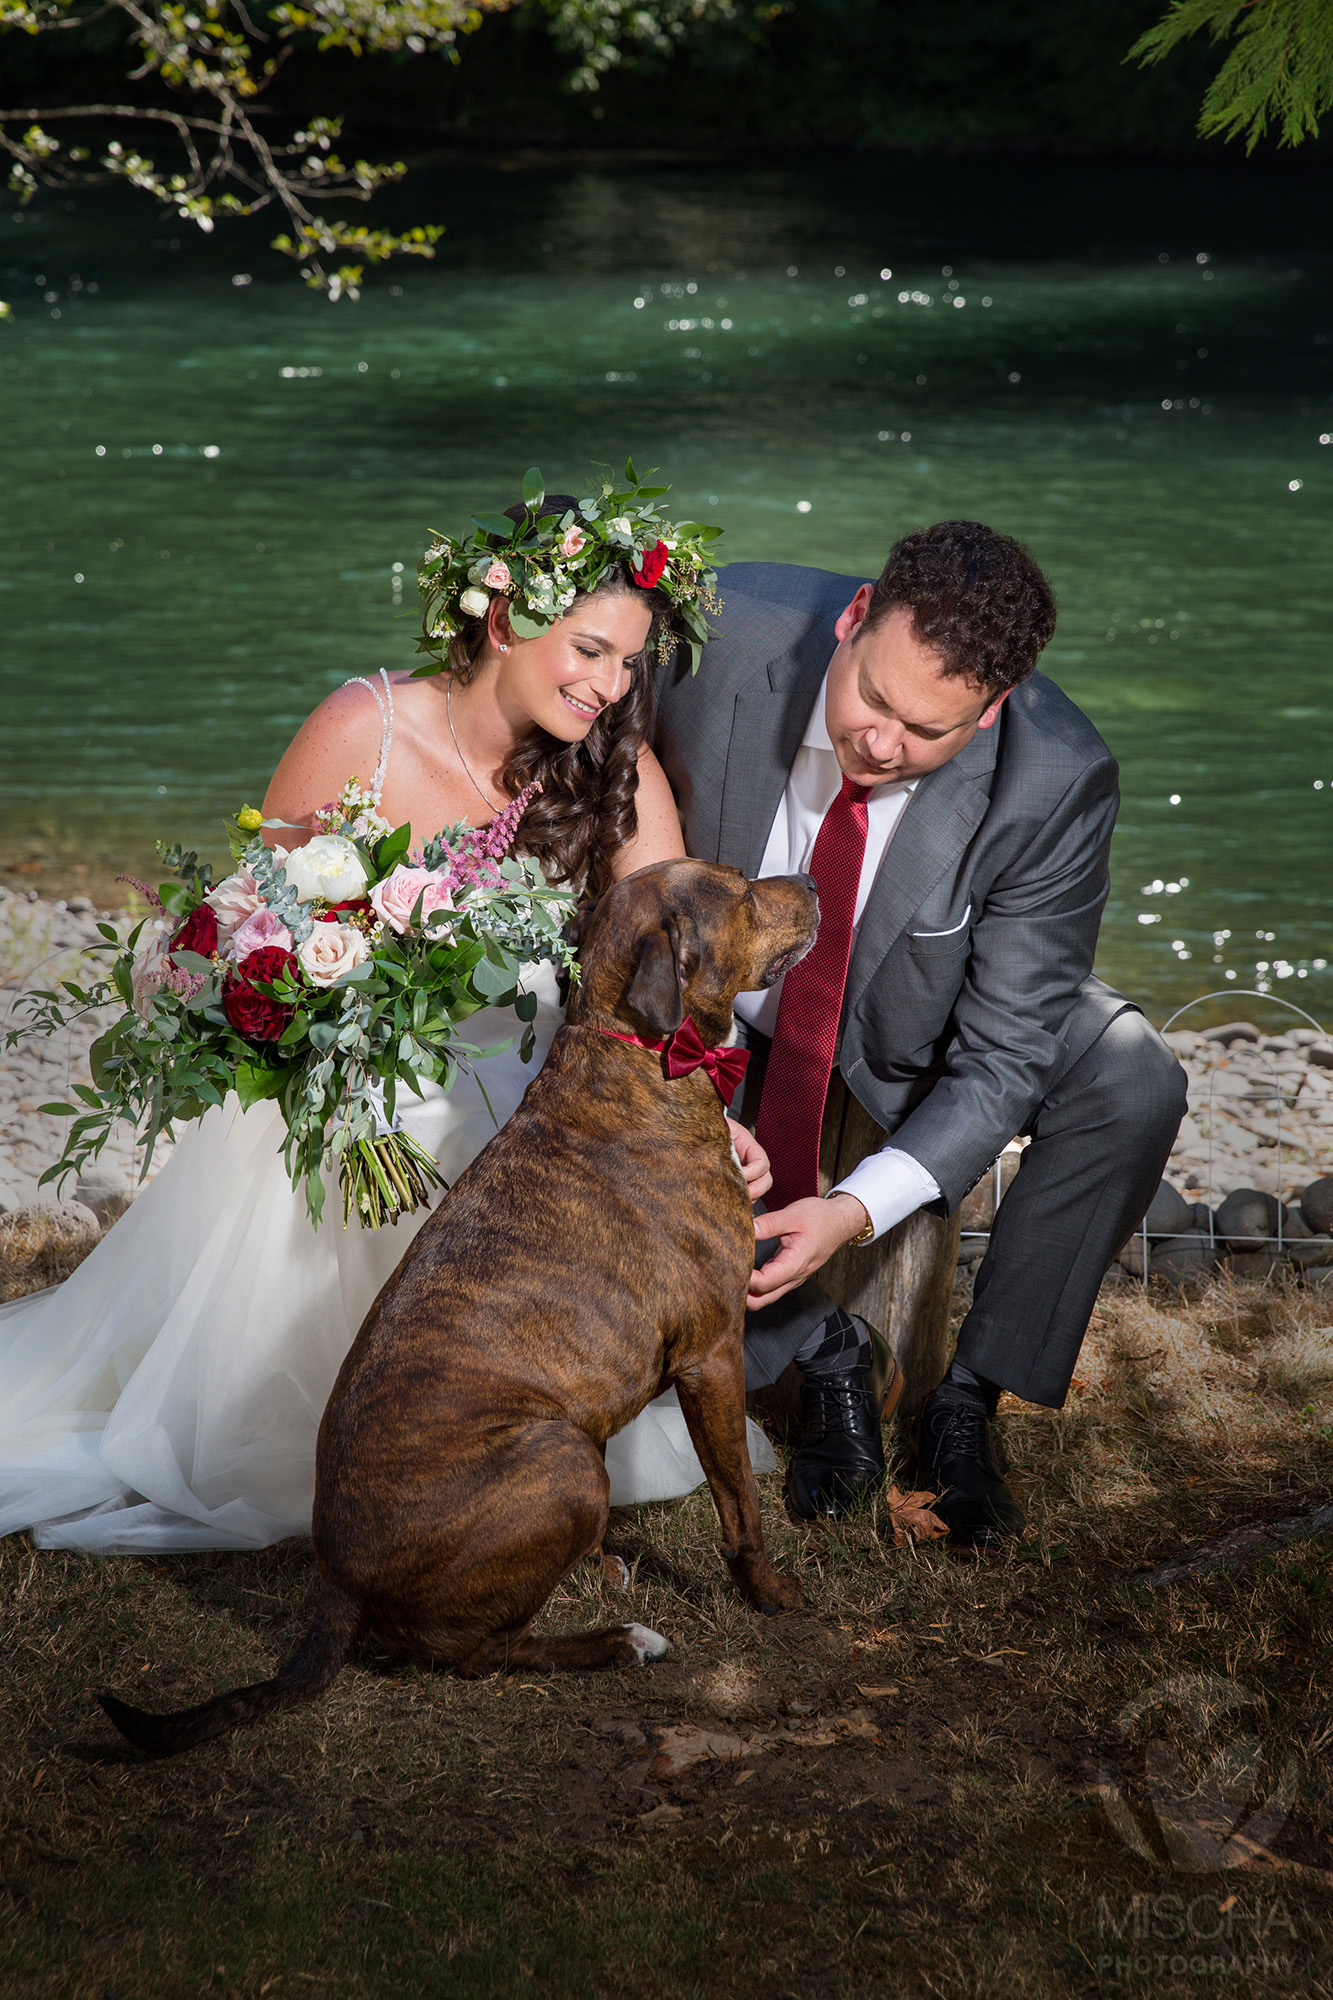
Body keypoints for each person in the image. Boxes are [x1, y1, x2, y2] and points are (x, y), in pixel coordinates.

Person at [0, 485, 775, 1554]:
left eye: (628, 662)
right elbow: (246, 926)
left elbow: (673, 970)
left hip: (535, 1102)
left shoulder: (617, 766)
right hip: (348, 1095)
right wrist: (306, 1013)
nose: (610, 686)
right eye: (589, 649)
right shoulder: (359, 728)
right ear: (504, 616)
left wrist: (702, 1107)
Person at [655, 520, 1187, 1551]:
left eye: (927, 732)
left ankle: (967, 1399)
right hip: (722, 1007)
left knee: (1132, 1081)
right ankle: (821, 1355)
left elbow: (1002, 1055)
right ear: (852, 619)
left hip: (916, 1023)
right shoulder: (712, 638)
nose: (880, 743)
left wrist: (854, 1209)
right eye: (871, 698)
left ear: (987, 713)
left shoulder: (1056, 779)